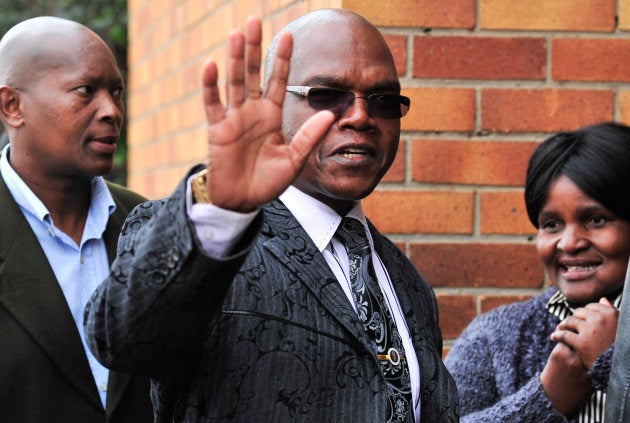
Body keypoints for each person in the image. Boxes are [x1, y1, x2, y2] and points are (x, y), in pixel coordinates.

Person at [84, 9, 459, 423]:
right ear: (273, 105)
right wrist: (219, 211)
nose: (360, 117)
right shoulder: (203, 236)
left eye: (383, 101)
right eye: (327, 95)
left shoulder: (408, 284)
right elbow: (123, 341)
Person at [0, 17, 152, 422]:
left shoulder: (147, 221)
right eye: (86, 91)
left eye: (116, 92)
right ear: (12, 106)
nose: (112, 111)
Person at [444, 122, 630, 422]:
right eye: (551, 224)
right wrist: (547, 398)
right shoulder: (496, 336)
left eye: (595, 220)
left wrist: (616, 365)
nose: (569, 243)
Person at [605, 264, 630, 423]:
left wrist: (610, 359)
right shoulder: (517, 320)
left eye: (596, 236)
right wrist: (547, 395)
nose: (569, 245)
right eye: (552, 236)